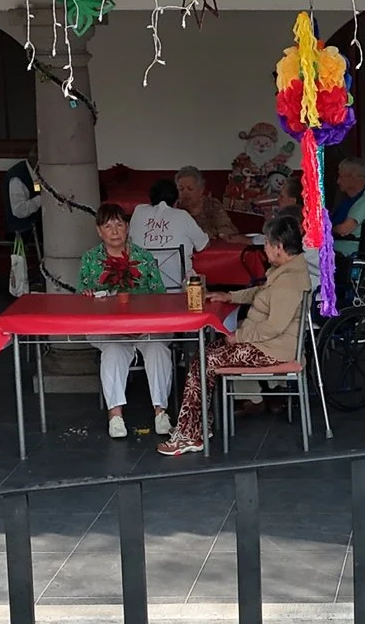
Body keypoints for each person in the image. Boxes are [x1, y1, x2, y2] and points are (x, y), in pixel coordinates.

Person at [158, 216, 314, 456]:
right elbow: (260, 292)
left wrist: (238, 335)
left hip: (272, 350)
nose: (265, 249)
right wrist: (230, 296)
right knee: (204, 356)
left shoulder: (289, 281)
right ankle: (197, 428)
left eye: (267, 244)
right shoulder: (285, 271)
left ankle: (190, 434)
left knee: (203, 361)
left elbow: (274, 327)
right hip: (266, 345)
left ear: (279, 247)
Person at [75, 205, 172, 440]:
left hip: (146, 328)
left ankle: (161, 412)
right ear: (99, 231)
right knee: (113, 352)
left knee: (158, 349)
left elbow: (160, 296)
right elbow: (81, 298)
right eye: (108, 226)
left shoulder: (143, 257)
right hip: (109, 331)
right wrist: (87, 295)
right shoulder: (90, 259)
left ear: (127, 227)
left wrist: (140, 323)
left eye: (119, 224)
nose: (115, 231)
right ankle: (115, 416)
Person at [130, 177, 210, 290]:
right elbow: (203, 244)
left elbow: (130, 240)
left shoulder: (139, 212)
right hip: (178, 289)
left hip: (143, 287)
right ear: (176, 199)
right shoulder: (183, 216)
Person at [331, 157, 365, 261]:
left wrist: (326, 230)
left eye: (340, 176)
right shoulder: (349, 199)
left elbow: (344, 230)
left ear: (353, 178)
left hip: (346, 251)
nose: (338, 181)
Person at [173, 165, 237, 240]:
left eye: (190, 189)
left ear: (201, 190)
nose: (185, 193)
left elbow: (227, 228)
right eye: (181, 189)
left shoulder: (212, 205)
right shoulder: (175, 209)